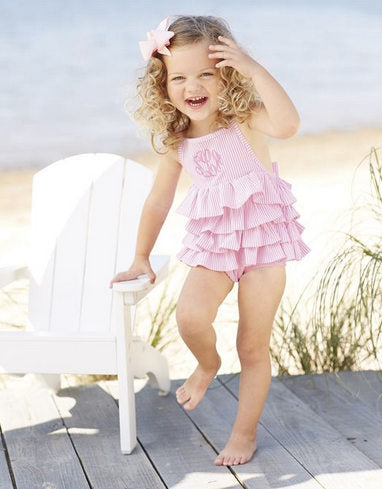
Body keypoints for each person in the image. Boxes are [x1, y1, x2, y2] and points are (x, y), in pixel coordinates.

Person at [110, 15, 310, 466]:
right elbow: (159, 201)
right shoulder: (177, 139)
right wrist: (141, 257)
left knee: (252, 345)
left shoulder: (244, 116)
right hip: (214, 244)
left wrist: (255, 68)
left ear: (227, 74)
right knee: (191, 318)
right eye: (179, 76)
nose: (193, 85)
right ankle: (207, 365)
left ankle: (243, 435)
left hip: (264, 241)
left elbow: (290, 123)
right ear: (162, 86)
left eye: (206, 72)